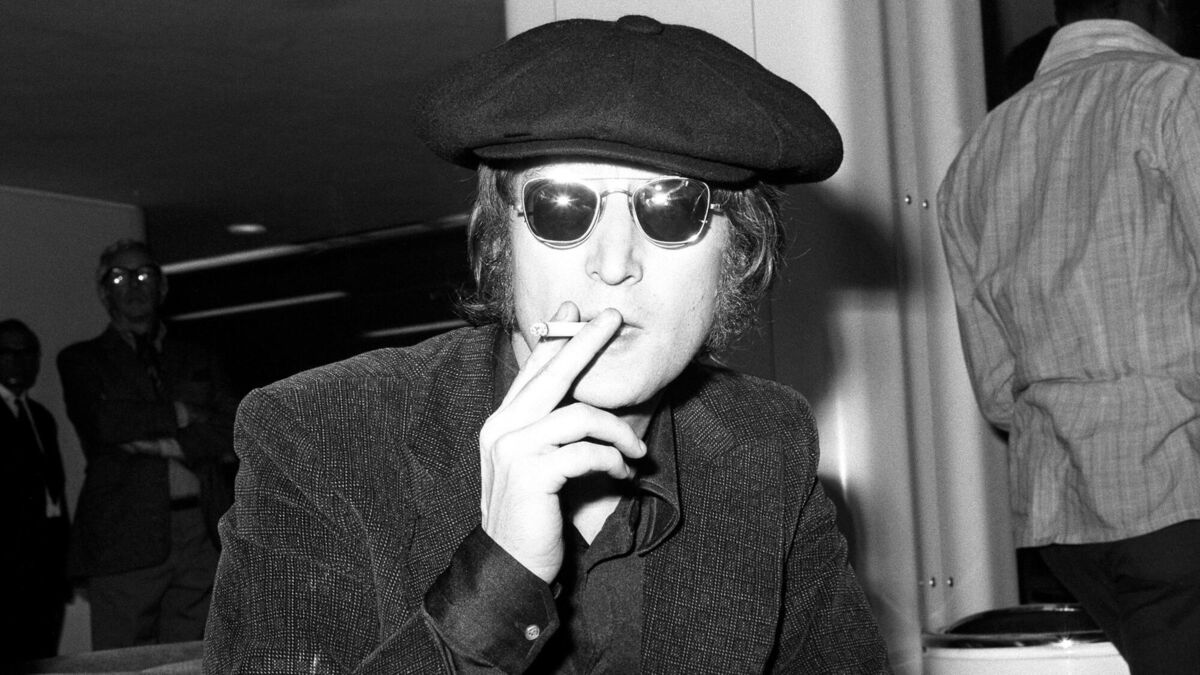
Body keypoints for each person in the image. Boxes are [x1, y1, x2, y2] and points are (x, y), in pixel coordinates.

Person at [204, 15, 888, 674]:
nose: (614, 264)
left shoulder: (768, 444)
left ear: (736, 255)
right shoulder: (317, 437)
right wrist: (499, 576)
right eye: (563, 207)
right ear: (501, 245)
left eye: (672, 208)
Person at [937, 0, 1200, 671]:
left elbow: (997, 391)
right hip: (1179, 486)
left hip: (1065, 522)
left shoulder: (979, 151)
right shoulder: (1181, 94)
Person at [58, 240, 239, 649]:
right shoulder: (82, 360)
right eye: (119, 277)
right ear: (103, 291)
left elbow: (230, 425)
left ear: (162, 286)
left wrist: (166, 446)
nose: (133, 285)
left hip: (200, 529)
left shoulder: (198, 356)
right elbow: (107, 423)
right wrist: (185, 412)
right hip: (124, 534)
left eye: (144, 275)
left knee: (192, 655)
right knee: (122, 657)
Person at [1, 318, 71, 664]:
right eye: (8, 353)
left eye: (28, 352)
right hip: (9, 570)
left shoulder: (40, 417)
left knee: (43, 658)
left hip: (44, 570)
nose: (19, 361)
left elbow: (53, 494)